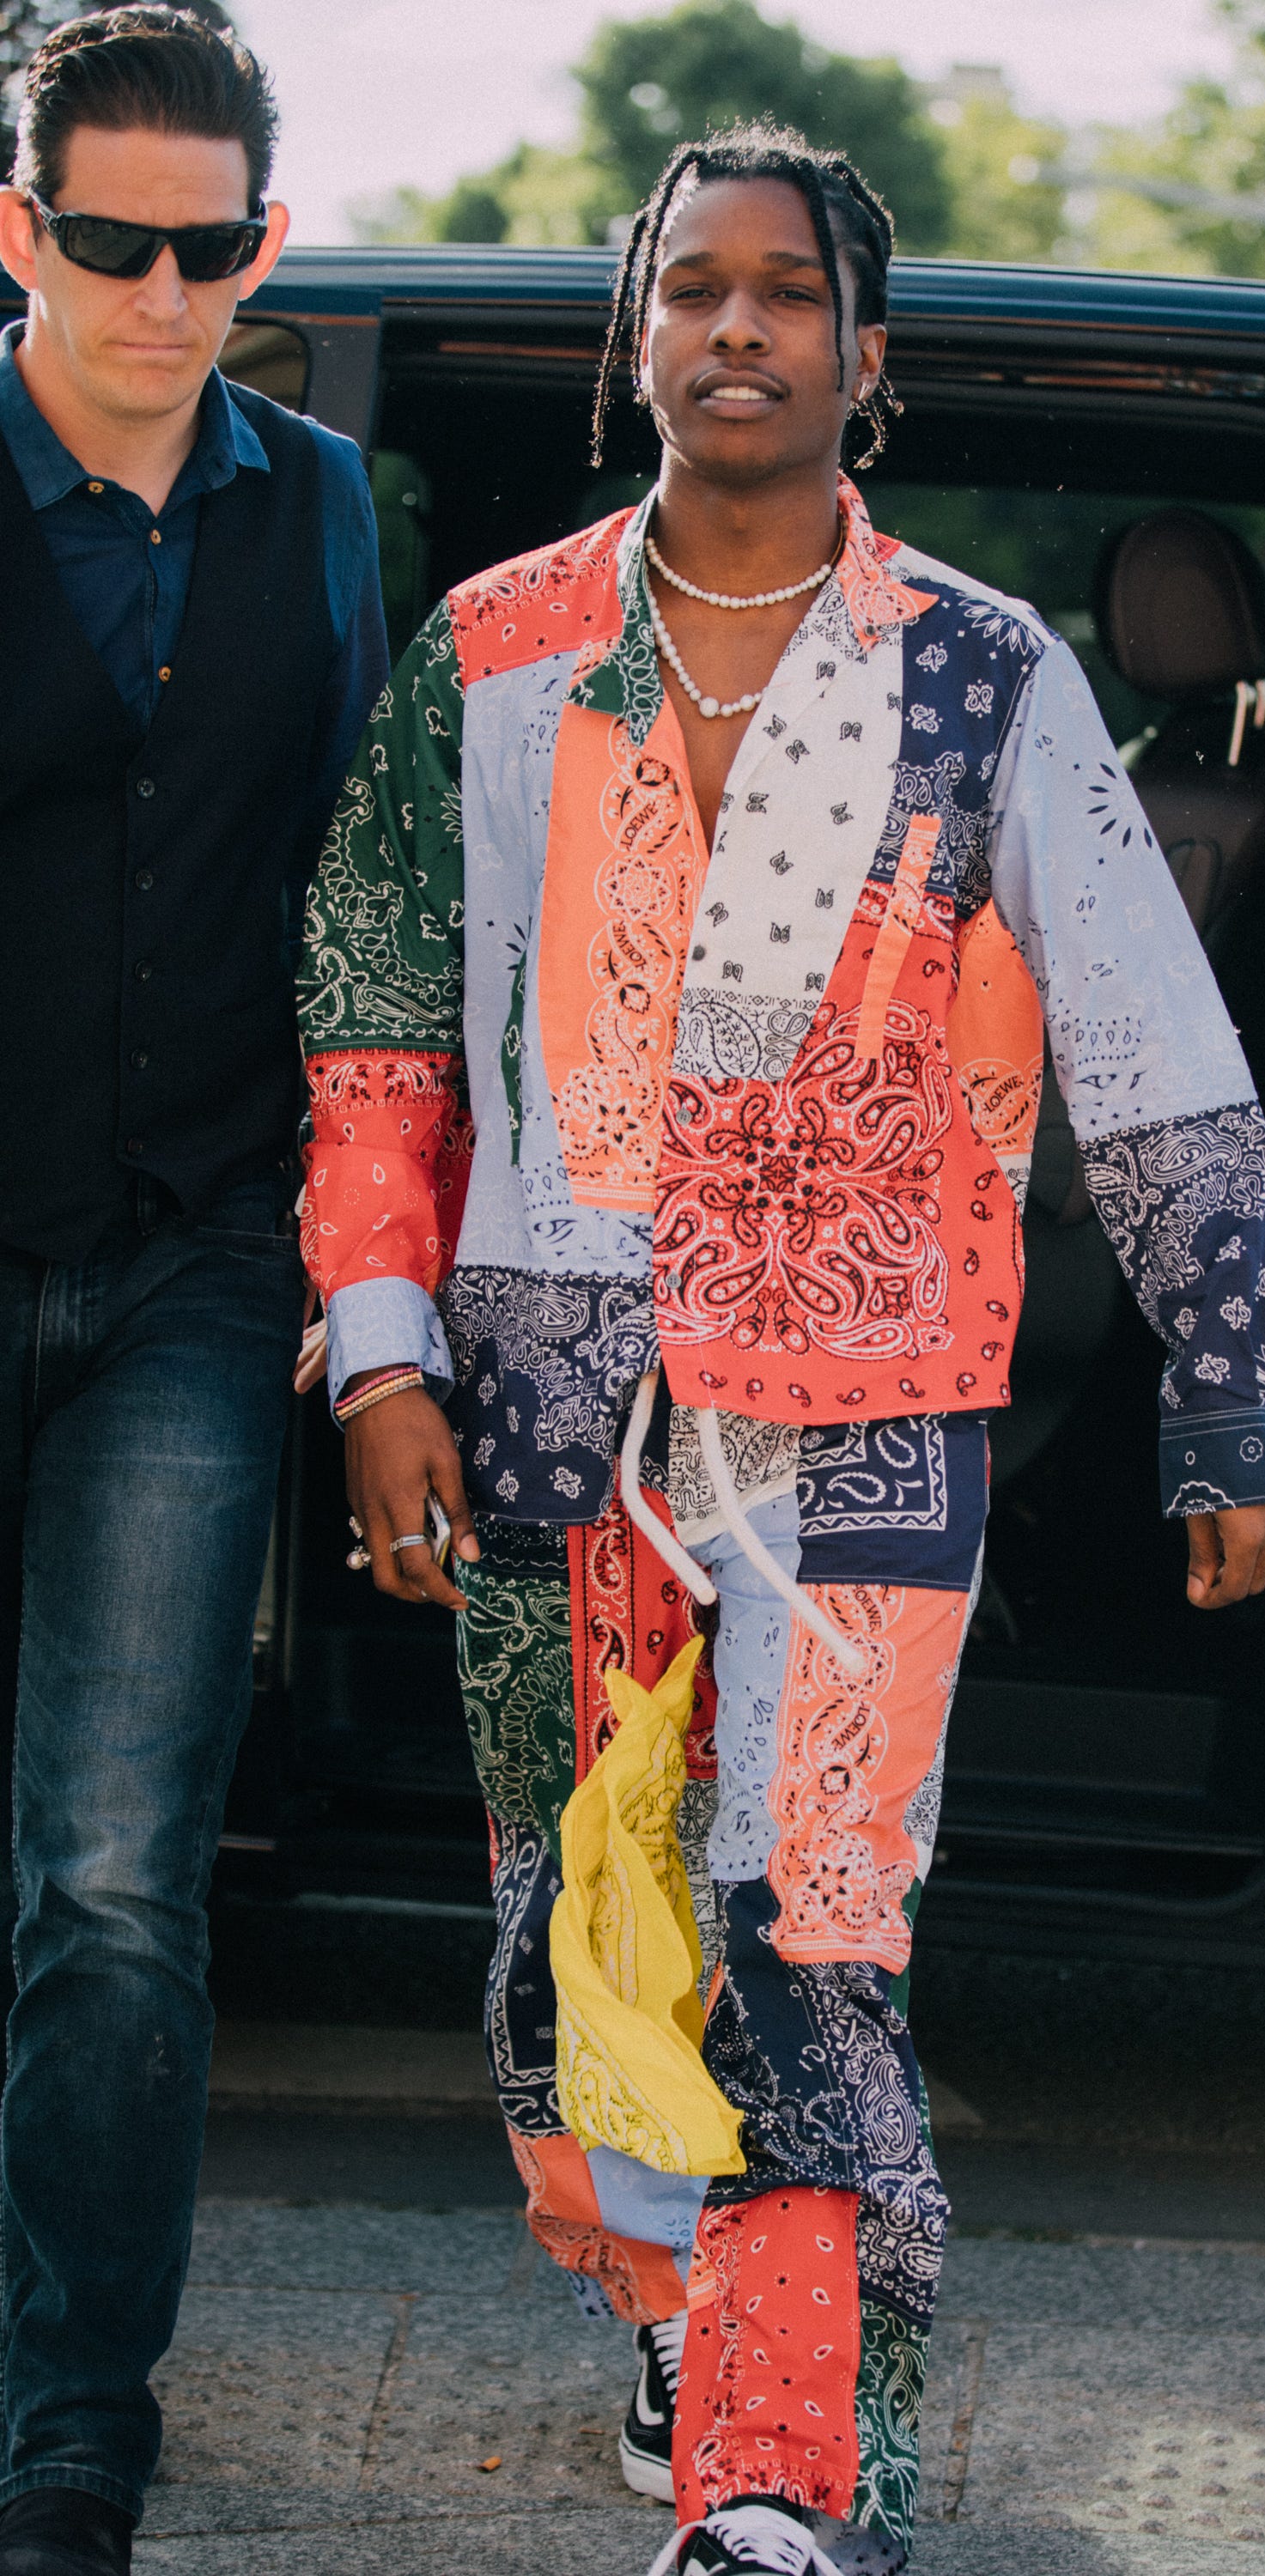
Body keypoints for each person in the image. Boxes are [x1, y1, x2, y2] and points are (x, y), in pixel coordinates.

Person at [300, 124, 1265, 2576]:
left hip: (867, 1412)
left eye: (787, 292)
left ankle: (787, 2481)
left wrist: (1223, 1384)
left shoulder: (985, 670)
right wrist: (382, 1352)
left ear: (867, 358)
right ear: (633, 338)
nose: (737, 327)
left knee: (811, 1920)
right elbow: (372, 1025)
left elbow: (1153, 1043)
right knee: (580, 1930)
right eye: (694, 289)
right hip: (544, 1392)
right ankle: (672, 2306)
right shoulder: (496, 649)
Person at [0, 12, 386, 2571]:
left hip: (196, 1260)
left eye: (214, 245)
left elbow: (360, 904)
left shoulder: (327, 504)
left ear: (264, 236)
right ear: (17, 229)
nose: (167, 294)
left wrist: (380, 1304)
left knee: (117, 1879)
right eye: (114, 241)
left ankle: (72, 2435)